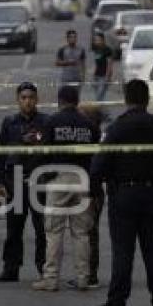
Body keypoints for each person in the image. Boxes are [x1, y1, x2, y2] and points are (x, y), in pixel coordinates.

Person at [89, 80, 153, 306]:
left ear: (126, 99)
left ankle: (117, 301)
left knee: (123, 251)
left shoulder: (118, 128)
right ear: (147, 99)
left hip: (124, 195)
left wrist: (96, 191)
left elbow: (99, 164)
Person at [32, 86, 101, 292]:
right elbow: (95, 154)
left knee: (54, 231)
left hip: (59, 178)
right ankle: (83, 278)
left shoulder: (51, 122)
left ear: (60, 101)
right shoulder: (89, 125)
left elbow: (44, 153)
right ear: (77, 101)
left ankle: (51, 278)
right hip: (83, 178)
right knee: (81, 233)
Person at [0, 82, 49, 282]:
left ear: (37, 99)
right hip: (14, 182)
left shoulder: (45, 121)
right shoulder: (9, 123)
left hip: (38, 181)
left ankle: (44, 268)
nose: (27, 101)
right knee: (14, 229)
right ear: (18, 100)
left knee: (42, 229)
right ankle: (11, 268)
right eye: (23, 98)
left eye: (31, 97)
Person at [77, 103, 107, 289]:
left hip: (90, 191)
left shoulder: (93, 138)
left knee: (88, 234)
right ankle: (87, 273)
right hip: (93, 190)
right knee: (89, 233)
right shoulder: (95, 136)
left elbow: (96, 169)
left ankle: (90, 275)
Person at [91, 32, 114, 102]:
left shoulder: (107, 50)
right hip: (96, 76)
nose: (97, 41)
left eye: (98, 40)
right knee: (98, 97)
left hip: (103, 76)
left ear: (103, 40)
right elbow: (95, 63)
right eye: (95, 40)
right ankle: (101, 111)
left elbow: (109, 64)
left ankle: (101, 111)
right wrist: (92, 75)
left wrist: (108, 76)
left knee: (99, 96)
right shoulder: (96, 49)